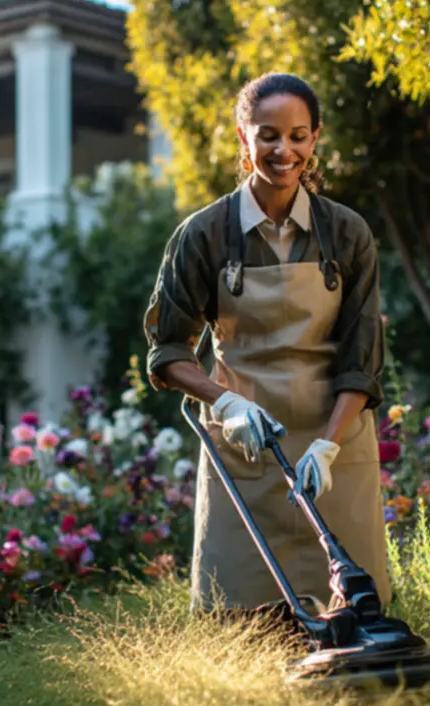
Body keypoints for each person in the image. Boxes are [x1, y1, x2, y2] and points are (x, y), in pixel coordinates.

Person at [143, 72, 389, 616]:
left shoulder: (347, 234)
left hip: (335, 449)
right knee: (244, 619)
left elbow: (362, 361)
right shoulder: (203, 235)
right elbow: (167, 353)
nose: (285, 150)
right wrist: (225, 402)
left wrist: (327, 445)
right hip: (244, 454)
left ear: (315, 139)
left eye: (298, 136)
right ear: (243, 136)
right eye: (269, 135)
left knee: (355, 617)